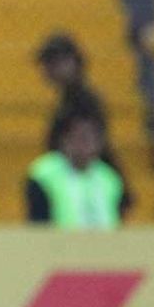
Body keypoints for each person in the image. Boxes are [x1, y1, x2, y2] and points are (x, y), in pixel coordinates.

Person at [35, 32, 133, 217]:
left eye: (54, 63)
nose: (48, 70)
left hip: (85, 186)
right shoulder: (71, 100)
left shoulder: (82, 102)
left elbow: (90, 147)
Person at [25, 104, 126, 229]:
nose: (86, 144)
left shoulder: (109, 178)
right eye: (81, 137)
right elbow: (38, 224)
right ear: (64, 139)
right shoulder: (44, 174)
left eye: (92, 137)